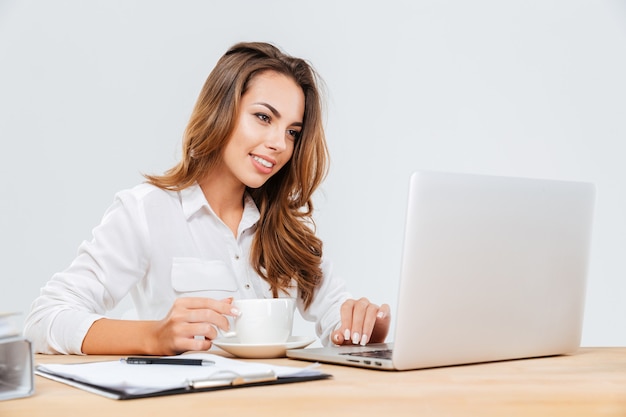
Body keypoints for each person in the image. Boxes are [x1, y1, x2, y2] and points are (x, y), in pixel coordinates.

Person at [24, 42, 390, 355]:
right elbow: (44, 318)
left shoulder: (286, 232)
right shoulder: (146, 211)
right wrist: (154, 335)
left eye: (292, 132)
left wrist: (363, 329)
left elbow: (337, 322)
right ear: (222, 110)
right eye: (263, 117)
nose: (280, 144)